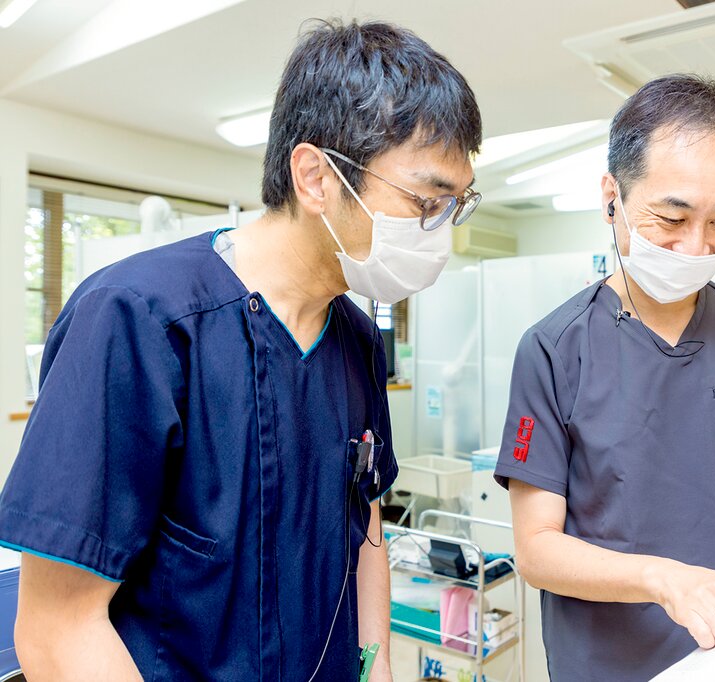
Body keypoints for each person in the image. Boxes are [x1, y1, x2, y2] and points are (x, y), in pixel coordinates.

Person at [0, 20, 481, 680]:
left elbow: (365, 524)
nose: (440, 233)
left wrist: (378, 666)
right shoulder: (138, 321)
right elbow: (57, 629)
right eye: (426, 202)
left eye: (455, 206)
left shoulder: (358, 342)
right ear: (315, 177)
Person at [493, 74, 715, 680]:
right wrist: (663, 579)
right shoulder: (554, 349)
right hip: (607, 662)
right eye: (671, 217)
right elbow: (537, 550)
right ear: (613, 195)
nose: (694, 248)